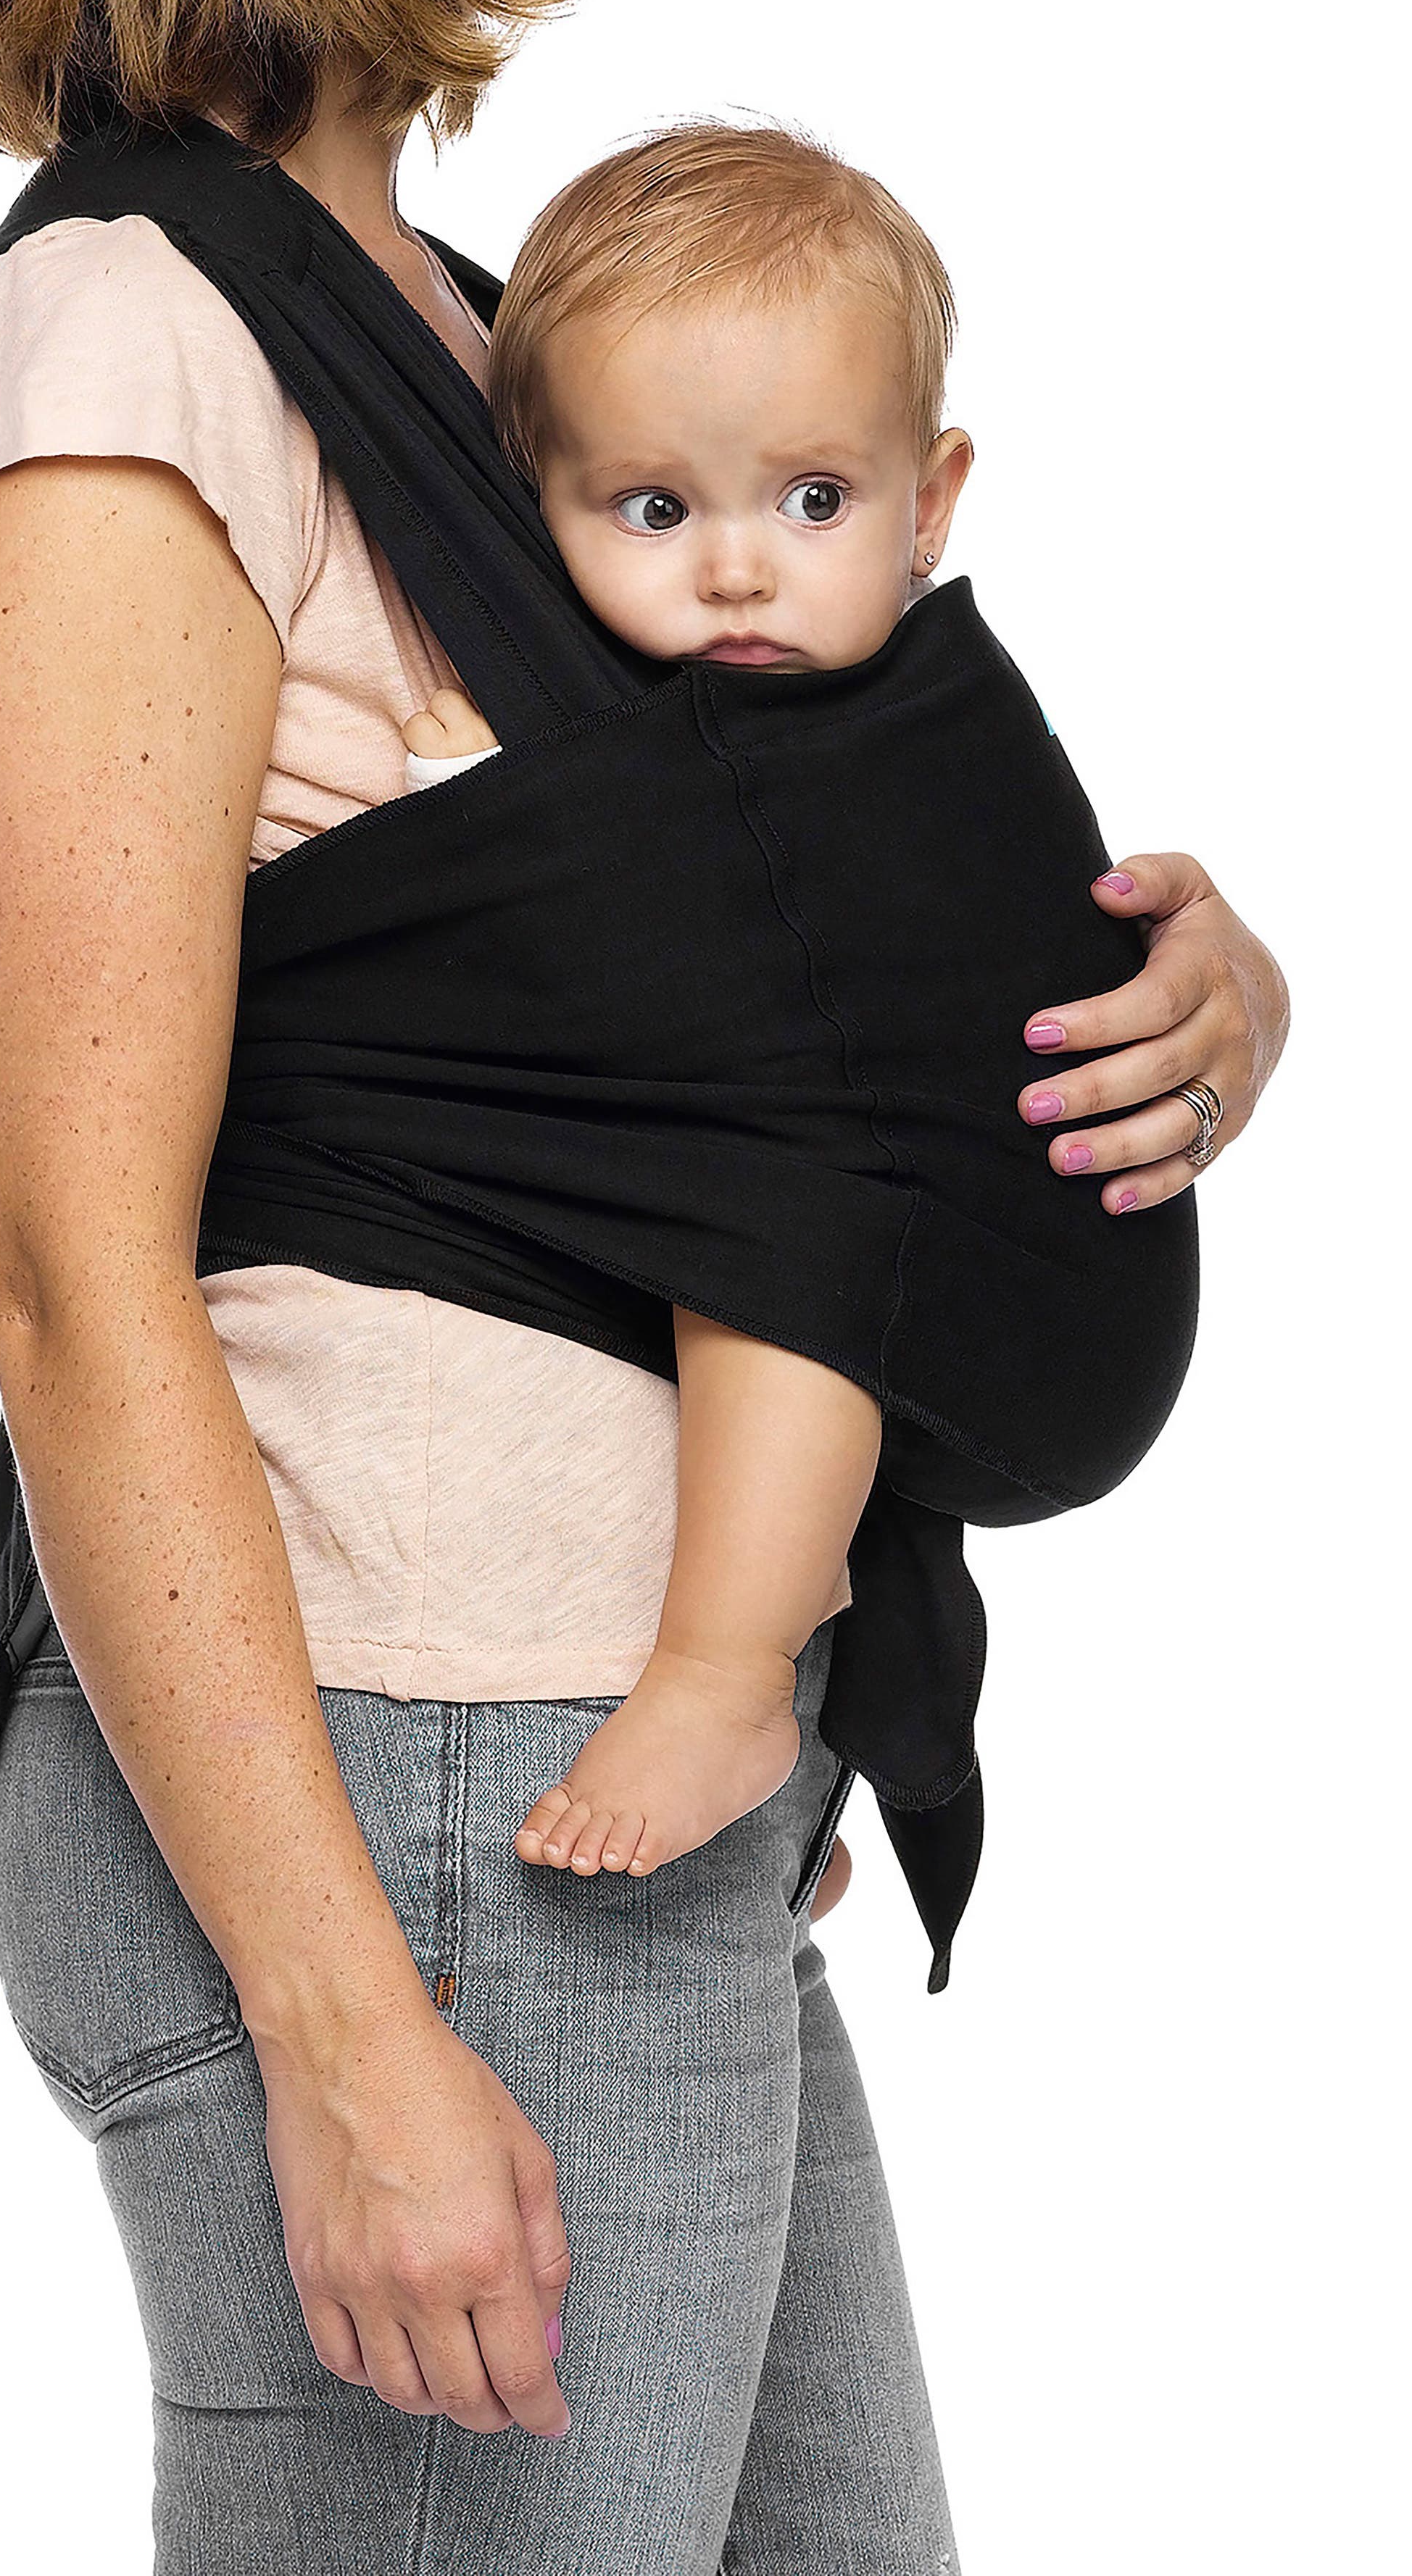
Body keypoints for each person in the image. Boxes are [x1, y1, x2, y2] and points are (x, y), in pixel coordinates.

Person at [0, 0, 1290, 2565]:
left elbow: (736, 959)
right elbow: (63, 1268)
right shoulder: (118, 350)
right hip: (407, 1762)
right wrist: (340, 2023)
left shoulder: (489, 347)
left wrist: (1178, 993)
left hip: (578, 1779)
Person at [399, 118, 994, 1888]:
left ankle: (731, 1681)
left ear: (929, 501)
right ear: (537, 503)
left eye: (815, 501)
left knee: (775, 1252)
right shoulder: (653, 712)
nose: (739, 568)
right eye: (656, 509)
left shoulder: (897, 726)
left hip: (904, 1244)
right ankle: (805, 1751)